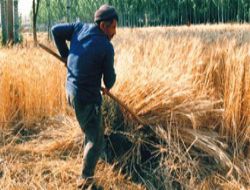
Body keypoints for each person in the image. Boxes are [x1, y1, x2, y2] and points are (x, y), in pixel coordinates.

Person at [51, 4, 118, 189]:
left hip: (70, 92)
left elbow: (55, 30)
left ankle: (92, 157)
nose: (115, 32)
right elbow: (110, 81)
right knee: (96, 139)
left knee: (91, 128)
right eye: (113, 27)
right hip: (86, 98)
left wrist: (66, 56)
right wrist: (109, 81)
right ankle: (85, 181)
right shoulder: (106, 47)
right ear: (104, 25)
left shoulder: (79, 28)